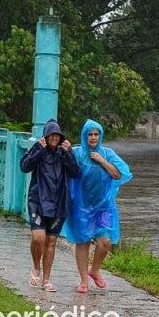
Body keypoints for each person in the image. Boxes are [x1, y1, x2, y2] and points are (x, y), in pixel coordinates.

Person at [62, 119, 132, 293]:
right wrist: (65, 149)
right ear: (84, 136)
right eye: (89, 134)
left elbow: (119, 174)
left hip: (104, 206)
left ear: (100, 136)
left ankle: (94, 270)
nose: (93, 137)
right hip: (82, 206)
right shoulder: (77, 153)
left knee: (105, 242)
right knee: (83, 241)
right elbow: (65, 163)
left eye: (96, 134)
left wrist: (101, 161)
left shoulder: (107, 153)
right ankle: (84, 281)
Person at [20, 119, 80, 292]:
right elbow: (24, 166)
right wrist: (38, 149)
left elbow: (75, 172)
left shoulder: (64, 152)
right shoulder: (39, 150)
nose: (54, 138)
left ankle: (46, 279)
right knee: (38, 238)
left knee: (51, 241)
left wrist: (69, 154)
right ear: (46, 136)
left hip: (59, 203)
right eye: (51, 134)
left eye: (57, 135)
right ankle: (35, 267)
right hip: (38, 201)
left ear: (61, 137)